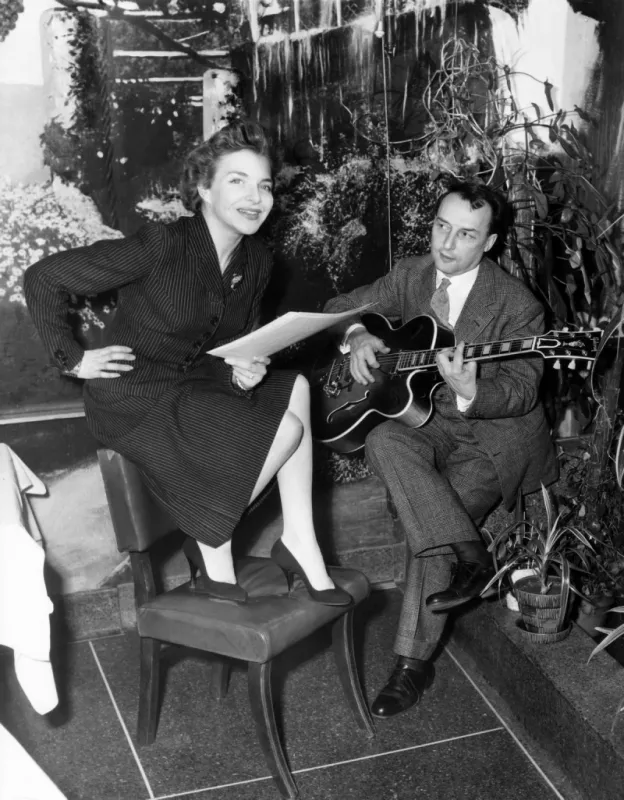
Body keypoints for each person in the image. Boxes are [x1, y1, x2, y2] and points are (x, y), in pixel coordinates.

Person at [24, 119, 351, 608]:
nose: (255, 197)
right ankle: (210, 539)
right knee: (285, 431)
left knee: (297, 387)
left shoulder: (257, 262)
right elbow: (43, 277)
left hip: (195, 384)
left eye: (264, 185)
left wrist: (245, 370)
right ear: (204, 189)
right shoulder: (163, 243)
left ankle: (300, 539)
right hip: (133, 395)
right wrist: (72, 359)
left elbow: (234, 343)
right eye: (237, 181)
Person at [323, 180, 558, 716]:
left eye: (465, 235)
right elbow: (338, 307)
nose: (446, 245)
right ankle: (472, 553)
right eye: (440, 227)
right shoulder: (411, 274)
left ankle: (411, 665)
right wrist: (358, 335)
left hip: (490, 438)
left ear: (490, 242)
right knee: (382, 437)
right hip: (426, 421)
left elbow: (523, 389)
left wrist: (473, 390)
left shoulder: (517, 304)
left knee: (430, 519)